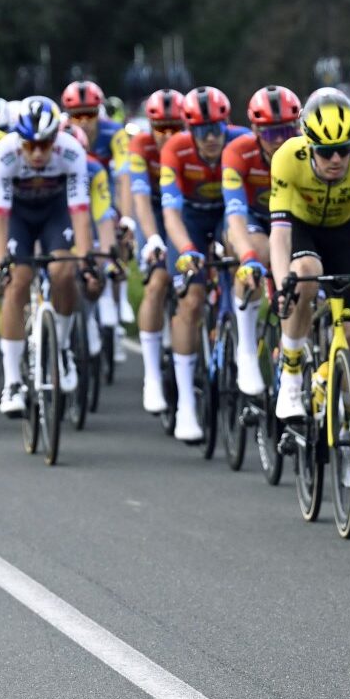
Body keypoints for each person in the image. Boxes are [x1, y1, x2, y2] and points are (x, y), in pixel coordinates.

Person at [266, 90, 350, 456]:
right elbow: (279, 232)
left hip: (346, 233)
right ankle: (292, 374)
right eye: (326, 152)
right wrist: (281, 286)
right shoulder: (287, 158)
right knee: (305, 275)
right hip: (302, 228)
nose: (337, 159)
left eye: (343, 149)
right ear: (309, 147)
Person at [0, 97, 92, 416]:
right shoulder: (5, 154)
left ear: (55, 139)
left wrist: (85, 258)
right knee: (17, 281)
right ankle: (13, 382)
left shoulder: (72, 151)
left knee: (64, 271)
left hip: (54, 214)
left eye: (44, 145)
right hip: (18, 216)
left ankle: (60, 348)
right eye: (30, 145)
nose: (36, 153)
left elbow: (80, 213)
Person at [158, 87, 248, 442]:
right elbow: (170, 212)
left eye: (217, 129)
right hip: (190, 221)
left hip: (228, 215)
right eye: (201, 131)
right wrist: (185, 251)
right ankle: (185, 406)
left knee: (237, 259)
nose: (211, 138)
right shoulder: (174, 149)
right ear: (188, 130)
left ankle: (233, 333)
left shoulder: (238, 142)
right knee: (192, 300)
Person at [221, 86, 300, 396]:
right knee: (257, 253)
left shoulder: (304, 152)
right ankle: (247, 349)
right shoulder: (238, 152)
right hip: (253, 218)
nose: (279, 140)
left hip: (291, 218)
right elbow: (235, 213)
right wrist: (248, 257)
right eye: (270, 134)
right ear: (255, 131)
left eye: (285, 130)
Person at [124, 90, 188, 414]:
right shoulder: (141, 147)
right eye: (160, 128)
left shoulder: (191, 146)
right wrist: (151, 239)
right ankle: (151, 374)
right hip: (152, 209)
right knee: (159, 278)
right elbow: (138, 200)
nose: (167, 135)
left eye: (174, 127)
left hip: (183, 208)